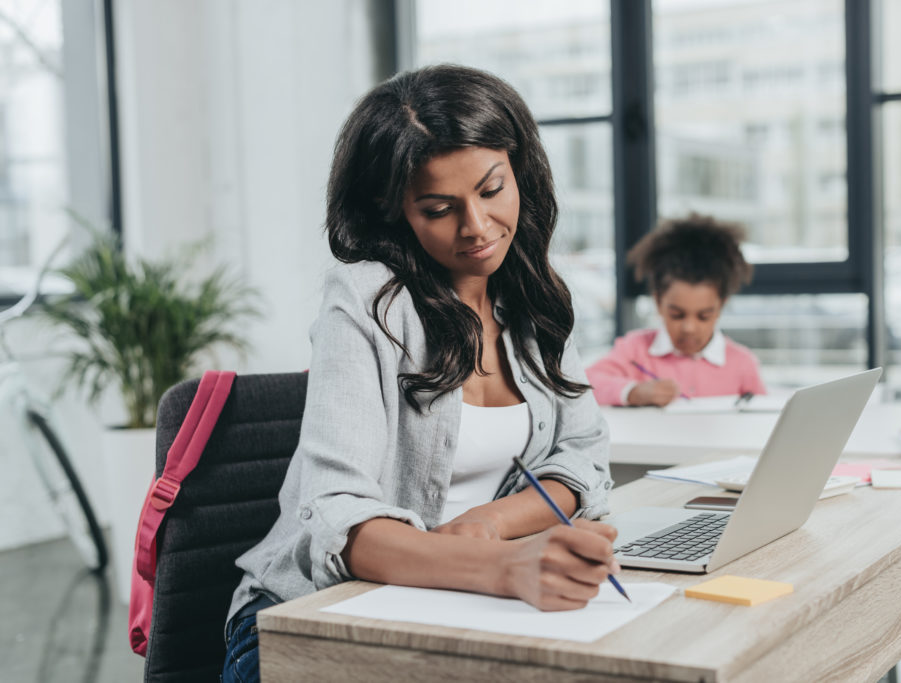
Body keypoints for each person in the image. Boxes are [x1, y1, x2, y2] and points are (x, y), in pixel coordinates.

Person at [221, 64, 618, 683]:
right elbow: (336, 517)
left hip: (457, 607)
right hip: (312, 620)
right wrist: (506, 569)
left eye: (492, 190)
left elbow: (584, 454)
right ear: (394, 211)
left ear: (522, 173)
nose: (477, 229)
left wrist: (492, 524)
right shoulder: (364, 299)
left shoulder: (530, 297)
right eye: (439, 208)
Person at [586, 215, 765, 407]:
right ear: (658, 301)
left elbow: (766, 418)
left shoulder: (742, 363)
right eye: (677, 315)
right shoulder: (634, 351)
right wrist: (632, 392)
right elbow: (585, 385)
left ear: (721, 306)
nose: (689, 327)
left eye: (703, 316)